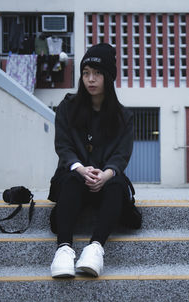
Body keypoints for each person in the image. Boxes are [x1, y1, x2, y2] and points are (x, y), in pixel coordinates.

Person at [48, 43, 134, 278]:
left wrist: (107, 173)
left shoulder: (123, 117)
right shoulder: (67, 107)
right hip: (74, 176)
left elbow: (122, 154)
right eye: (86, 73)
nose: (90, 79)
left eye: (97, 73)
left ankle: (95, 249)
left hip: (105, 180)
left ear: (108, 76)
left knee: (117, 185)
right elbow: (63, 146)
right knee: (72, 179)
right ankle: (64, 249)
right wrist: (79, 168)